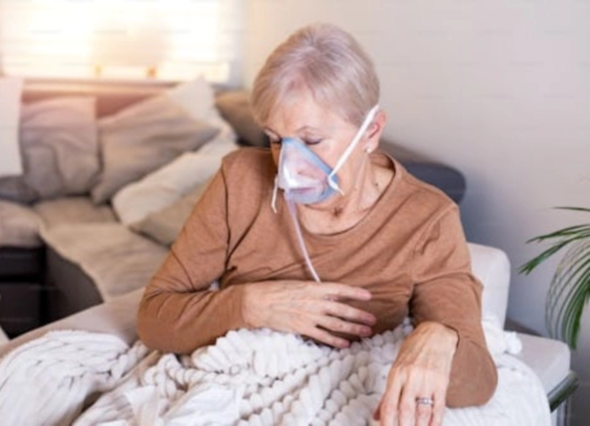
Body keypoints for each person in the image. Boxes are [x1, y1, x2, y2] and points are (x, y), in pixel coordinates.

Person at [137, 23, 497, 426]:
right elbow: (154, 318)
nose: (290, 167)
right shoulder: (237, 181)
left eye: (311, 141)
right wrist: (253, 305)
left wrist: (440, 336)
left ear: (371, 132)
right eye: (276, 139)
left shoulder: (426, 219)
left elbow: (479, 382)